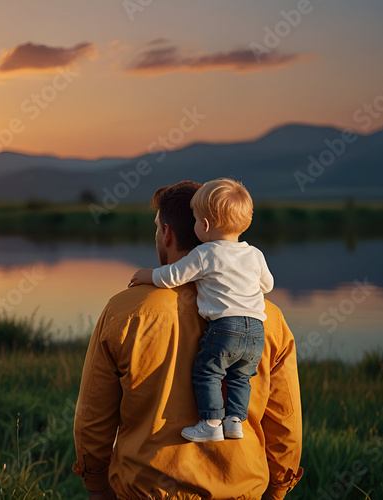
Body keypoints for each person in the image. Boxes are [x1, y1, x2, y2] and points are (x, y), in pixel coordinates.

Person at [73, 181, 303, 500]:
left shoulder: (125, 311)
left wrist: (96, 485)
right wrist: (277, 488)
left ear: (167, 233)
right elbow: (285, 421)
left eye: (157, 229)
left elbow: (93, 416)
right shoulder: (270, 318)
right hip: (242, 492)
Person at [129, 178, 273, 443]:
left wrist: (148, 275)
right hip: (256, 330)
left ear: (204, 226)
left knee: (208, 371)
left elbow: (174, 276)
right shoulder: (255, 255)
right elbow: (268, 284)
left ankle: (211, 421)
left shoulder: (205, 253)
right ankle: (234, 421)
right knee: (241, 377)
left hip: (225, 327)